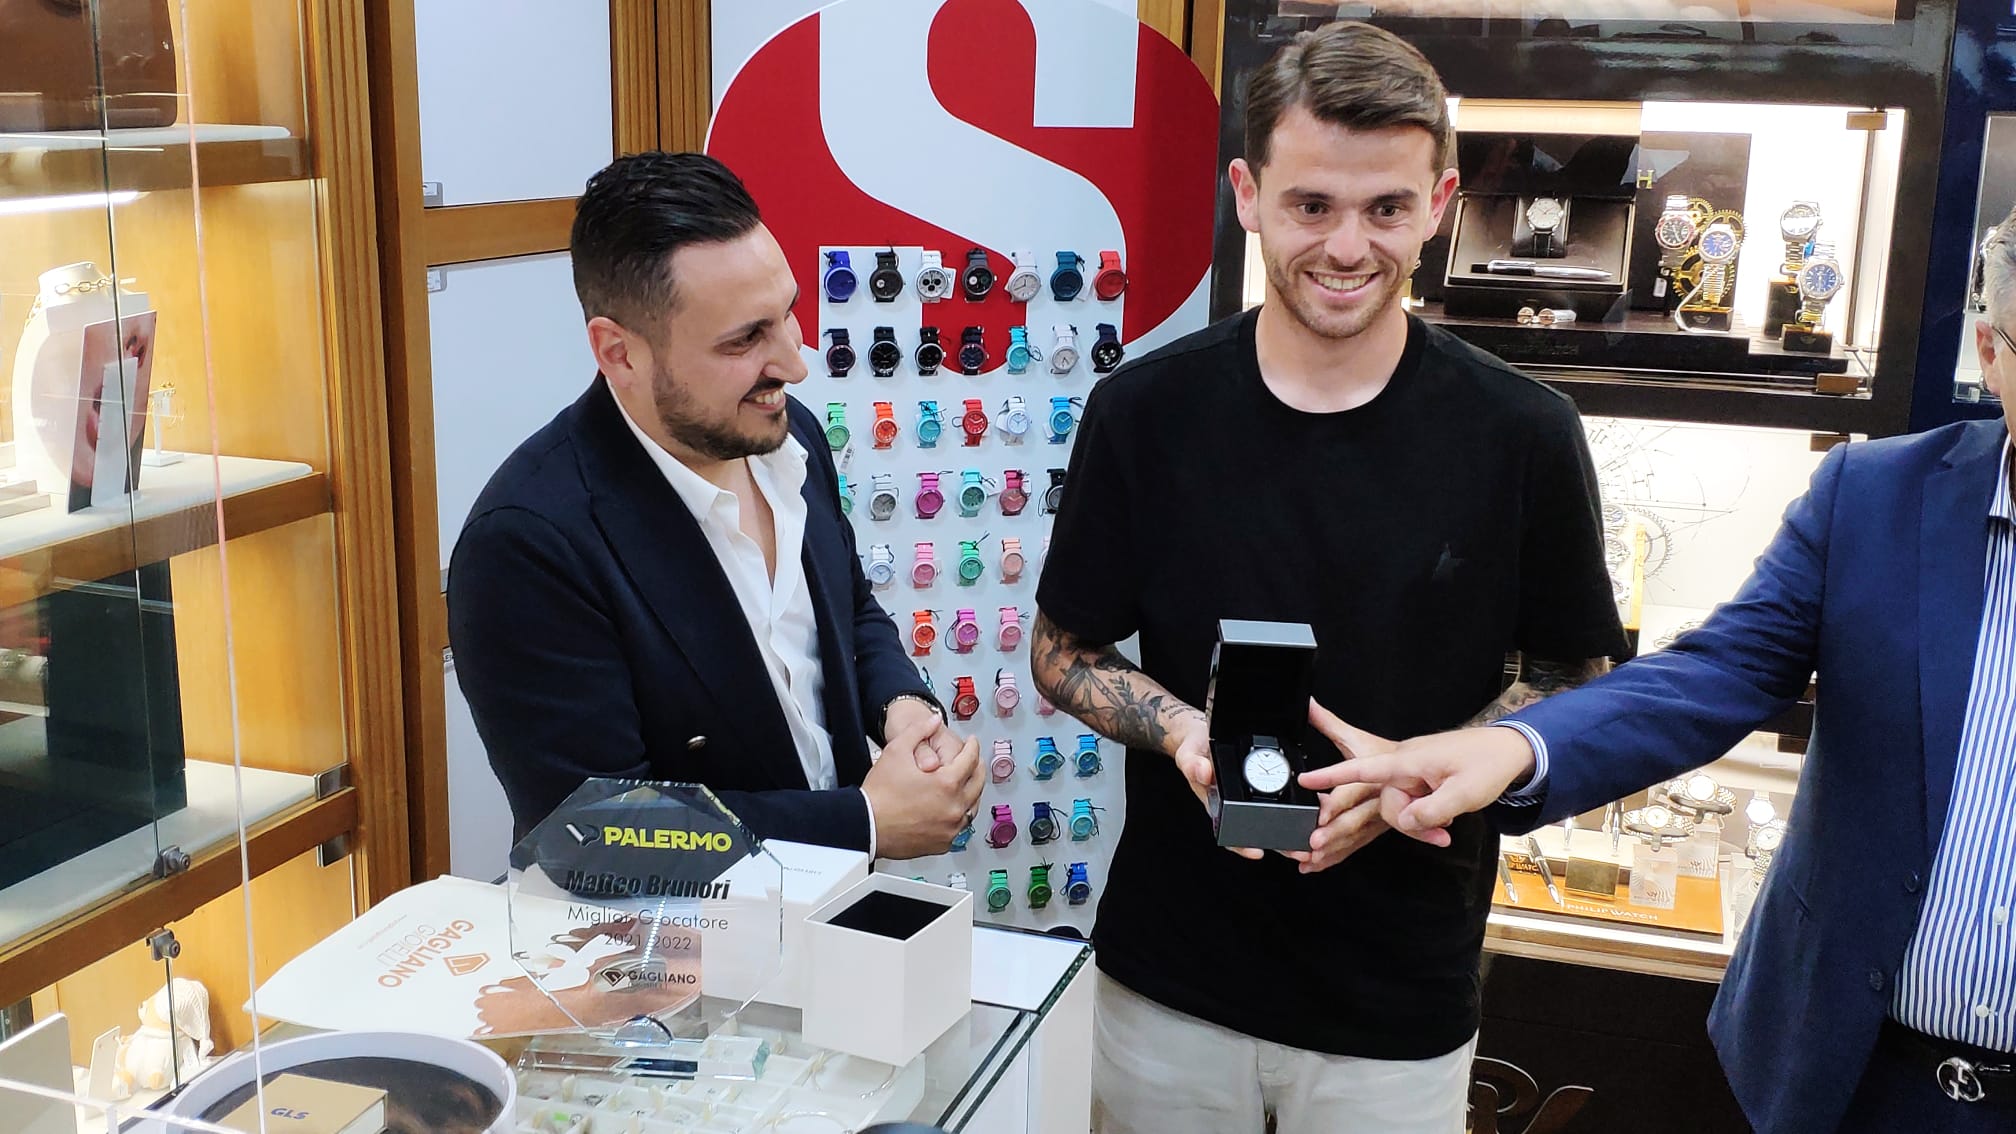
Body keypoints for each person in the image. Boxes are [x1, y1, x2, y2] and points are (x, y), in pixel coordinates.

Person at [1028, 21, 1628, 1134]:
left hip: (1398, 1002)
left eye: (1386, 208)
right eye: (1312, 205)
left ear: (1440, 204)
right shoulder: (1146, 412)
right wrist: (1183, 731)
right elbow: (1063, 651)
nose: (1348, 247)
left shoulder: (1524, 434)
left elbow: (1575, 677)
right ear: (1248, 195)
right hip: (1168, 983)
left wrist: (1418, 776)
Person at [1307, 207, 2016, 1134]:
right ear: (1990, 351)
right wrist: (1515, 747)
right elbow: (1715, 673)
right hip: (1848, 1077)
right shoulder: (1878, 496)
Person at [448, 152, 983, 856]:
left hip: (841, 907)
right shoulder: (526, 544)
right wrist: (864, 824)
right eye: (745, 340)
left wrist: (901, 706)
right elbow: (592, 831)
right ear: (619, 353)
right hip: (681, 930)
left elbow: (848, 611)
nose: (794, 363)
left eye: (787, 315)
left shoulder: (788, 435)